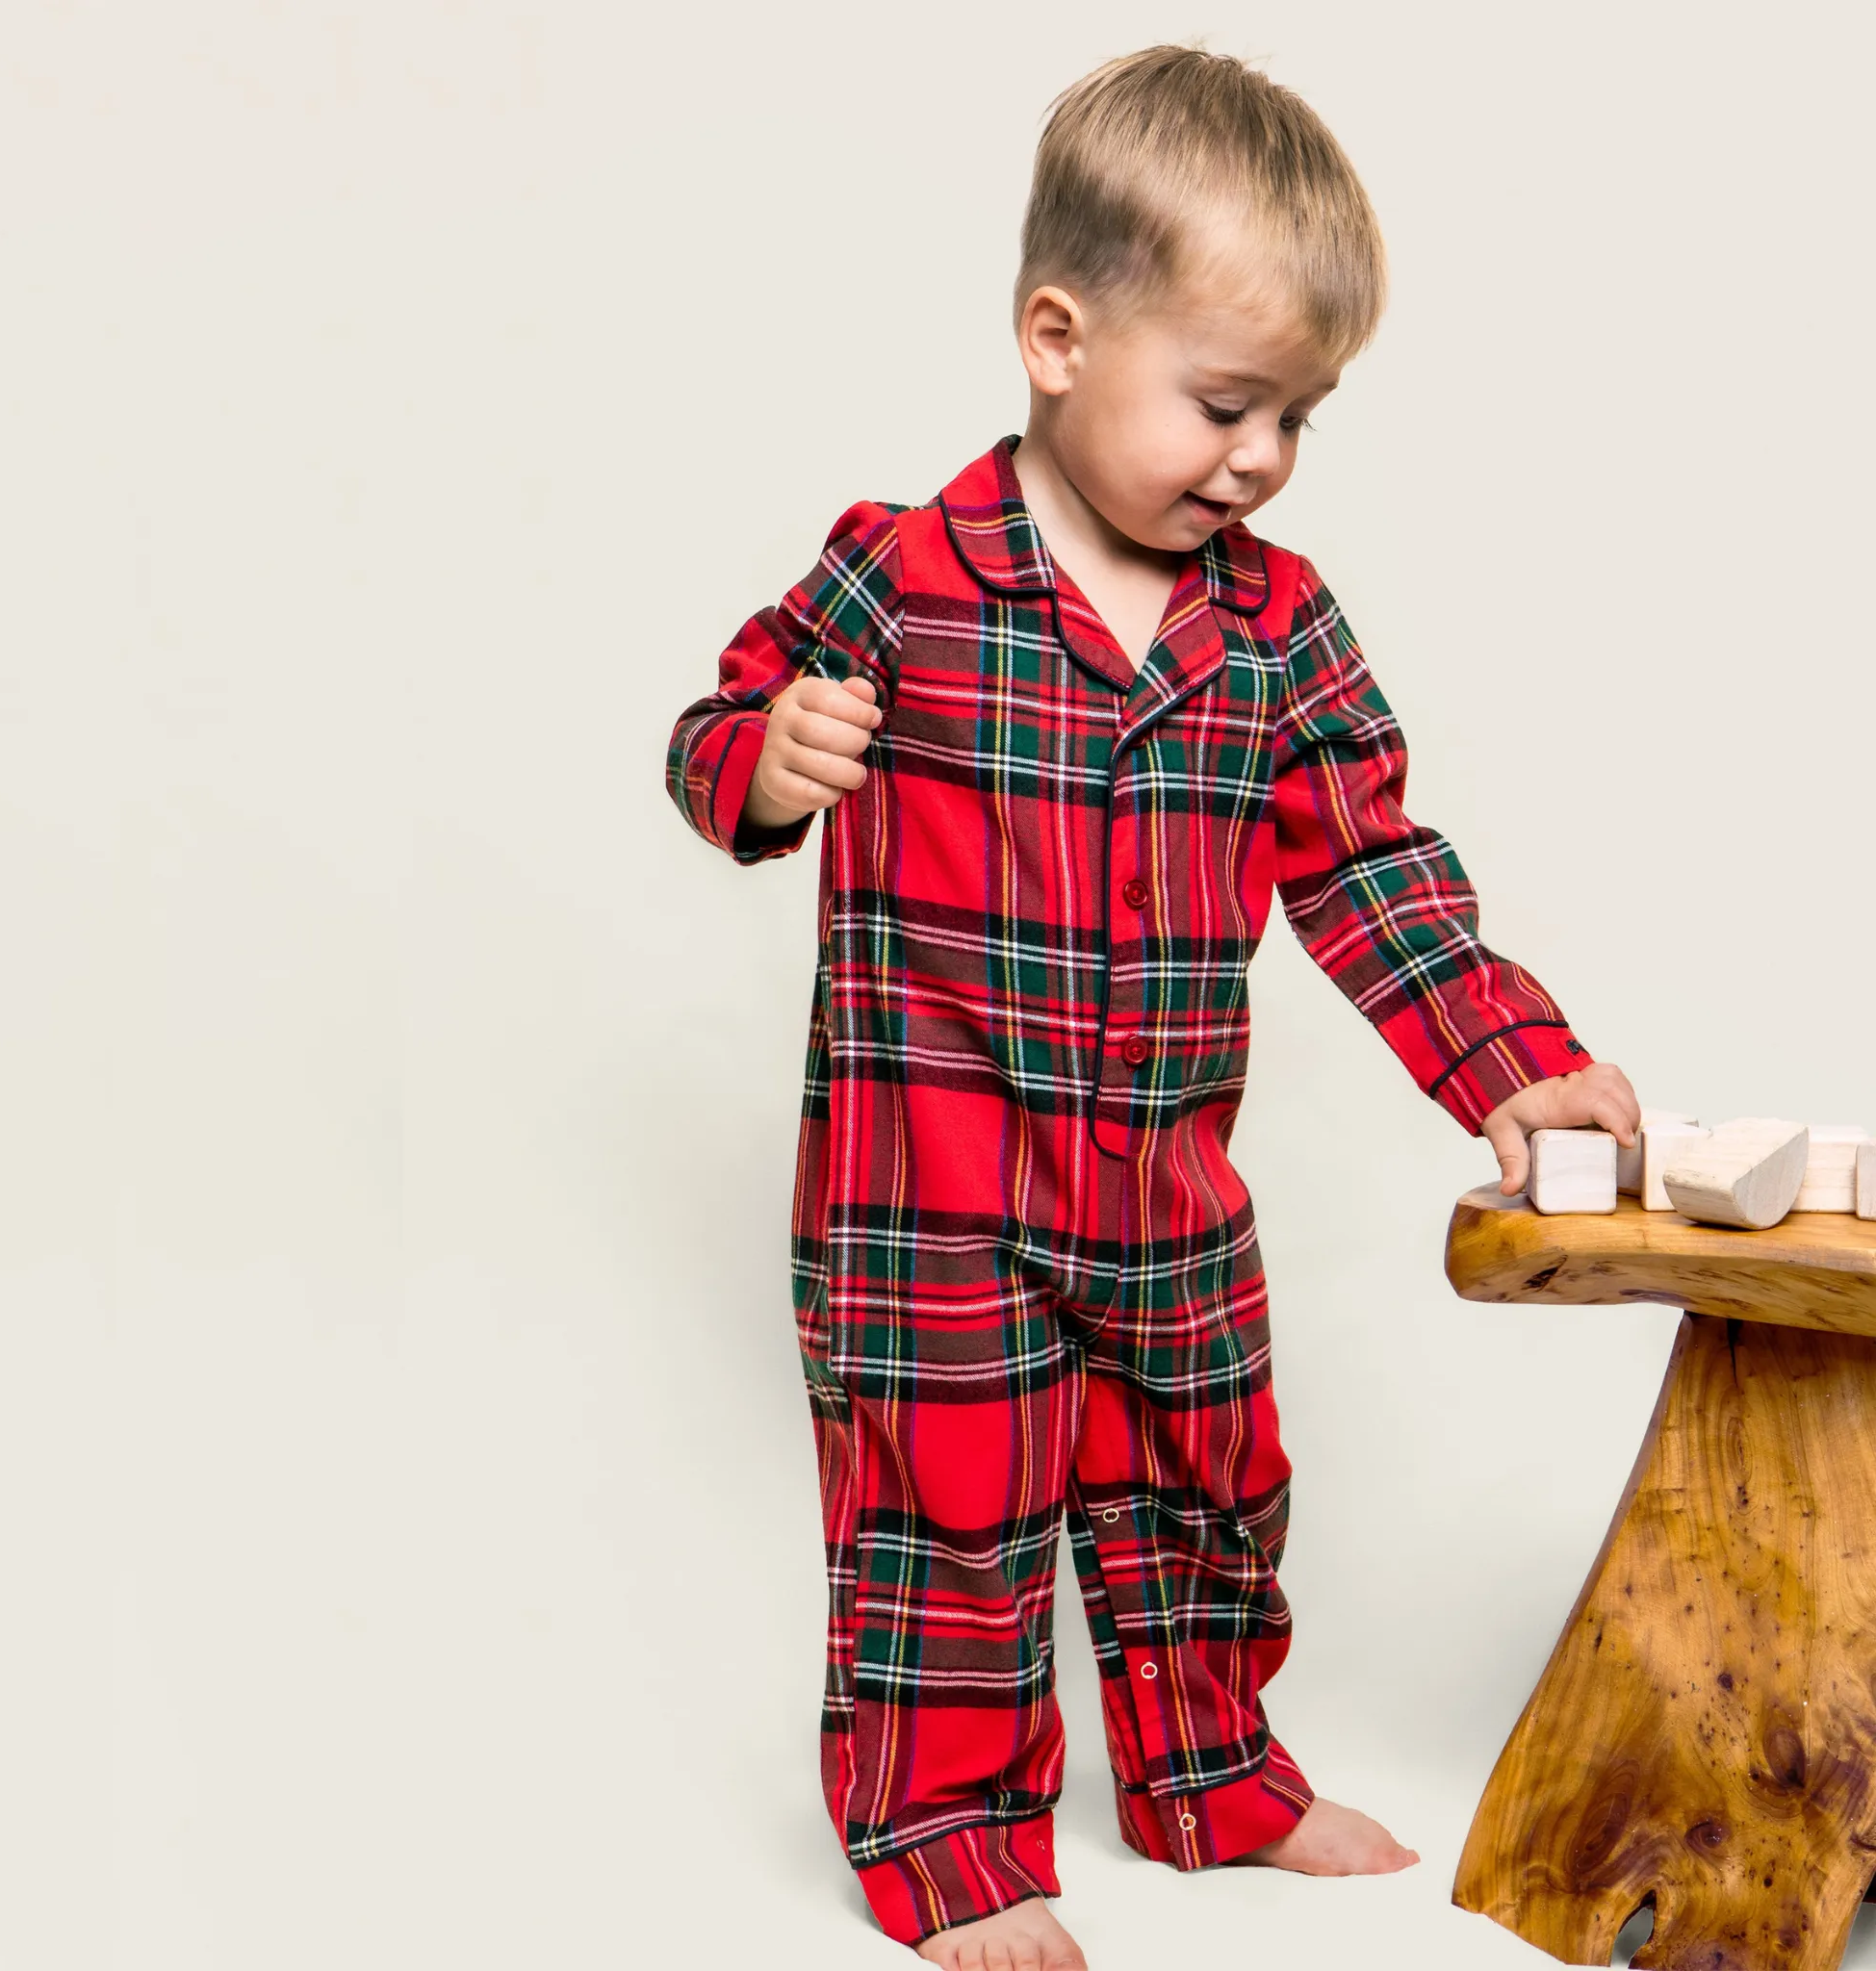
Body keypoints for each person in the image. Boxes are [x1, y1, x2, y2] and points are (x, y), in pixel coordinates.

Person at [665, 44, 1638, 1970]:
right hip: (924, 1188)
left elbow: (1367, 861)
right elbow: (714, 723)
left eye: (1296, 417)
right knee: (947, 1510)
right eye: (1220, 404)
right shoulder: (900, 570)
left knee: (1211, 1473)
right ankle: (946, 1832)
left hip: (1161, 1175)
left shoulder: (1275, 624)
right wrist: (768, 761)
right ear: (1054, 335)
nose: (1258, 458)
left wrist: (1515, 1061)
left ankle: (1211, 1775)